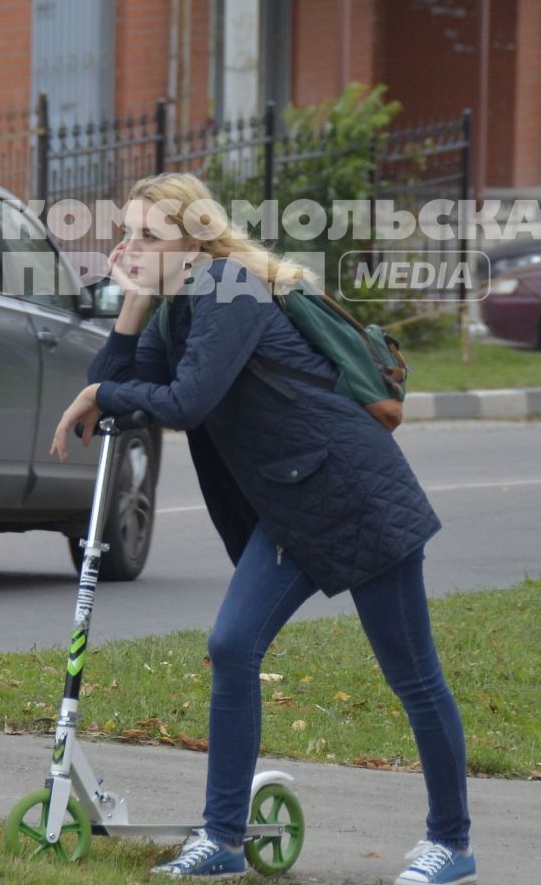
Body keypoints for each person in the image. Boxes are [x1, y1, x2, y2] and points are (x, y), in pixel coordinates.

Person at [48, 172, 477, 884]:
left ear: (193, 240)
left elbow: (183, 401)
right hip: (289, 506)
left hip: (354, 494)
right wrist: (132, 309)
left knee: (412, 674)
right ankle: (222, 839)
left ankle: (451, 844)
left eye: (148, 235)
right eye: (126, 233)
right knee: (232, 643)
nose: (130, 246)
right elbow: (119, 399)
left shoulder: (229, 289)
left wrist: (102, 391)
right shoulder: (176, 308)